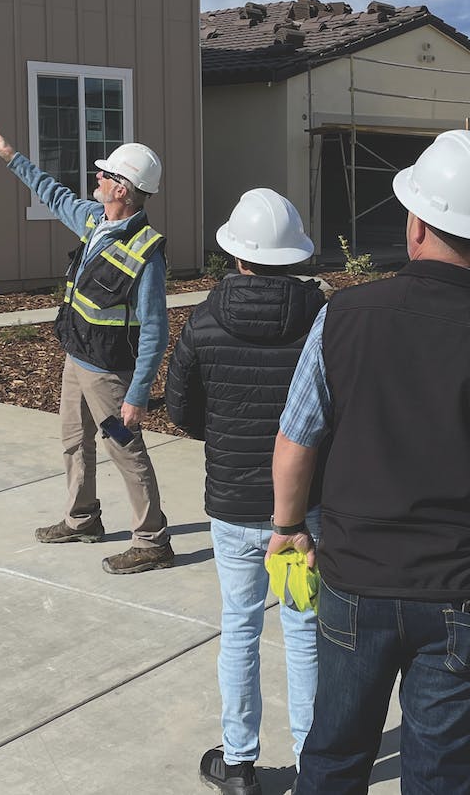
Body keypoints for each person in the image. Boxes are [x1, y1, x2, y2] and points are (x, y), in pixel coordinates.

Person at [268, 129, 470, 794]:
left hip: (355, 579)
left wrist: (287, 525)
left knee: (332, 760)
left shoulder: (345, 315)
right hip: (465, 596)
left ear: (414, 223)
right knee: (440, 777)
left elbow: (296, 437)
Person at [165, 189, 328, 795]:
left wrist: (229, 436)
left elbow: (181, 408)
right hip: (306, 507)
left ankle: (238, 763)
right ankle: (317, 761)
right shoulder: (322, 319)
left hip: (232, 505)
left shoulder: (204, 320)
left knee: (239, 629)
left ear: (235, 255)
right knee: (304, 628)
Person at [0, 123, 175, 574]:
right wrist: (12, 156)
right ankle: (82, 518)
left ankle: (152, 541)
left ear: (123, 190)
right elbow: (52, 194)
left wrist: (138, 394)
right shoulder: (93, 220)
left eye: (105, 176)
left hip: (110, 372)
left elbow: (156, 329)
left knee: (126, 451)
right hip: (77, 355)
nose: (97, 181)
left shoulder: (146, 251)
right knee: (73, 441)